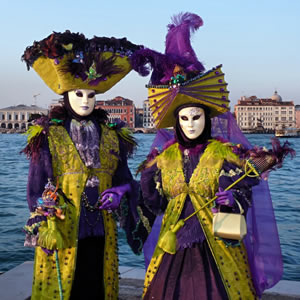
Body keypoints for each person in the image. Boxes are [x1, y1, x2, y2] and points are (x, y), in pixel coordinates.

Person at [131, 12, 287, 299]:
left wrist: (233, 199)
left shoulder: (223, 154)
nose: (190, 124)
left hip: (217, 244)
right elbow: (155, 205)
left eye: (196, 117)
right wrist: (146, 181)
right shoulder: (162, 159)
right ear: (176, 123)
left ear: (207, 118)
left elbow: (243, 189)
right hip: (173, 242)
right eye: (185, 119)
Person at [21, 31, 144, 300]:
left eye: (91, 94)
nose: (86, 100)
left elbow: (124, 178)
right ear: (66, 94)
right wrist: (45, 213)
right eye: (79, 93)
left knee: (96, 281)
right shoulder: (47, 135)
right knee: (65, 287)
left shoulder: (114, 135)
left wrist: (121, 192)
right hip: (62, 227)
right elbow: (36, 186)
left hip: (102, 225)